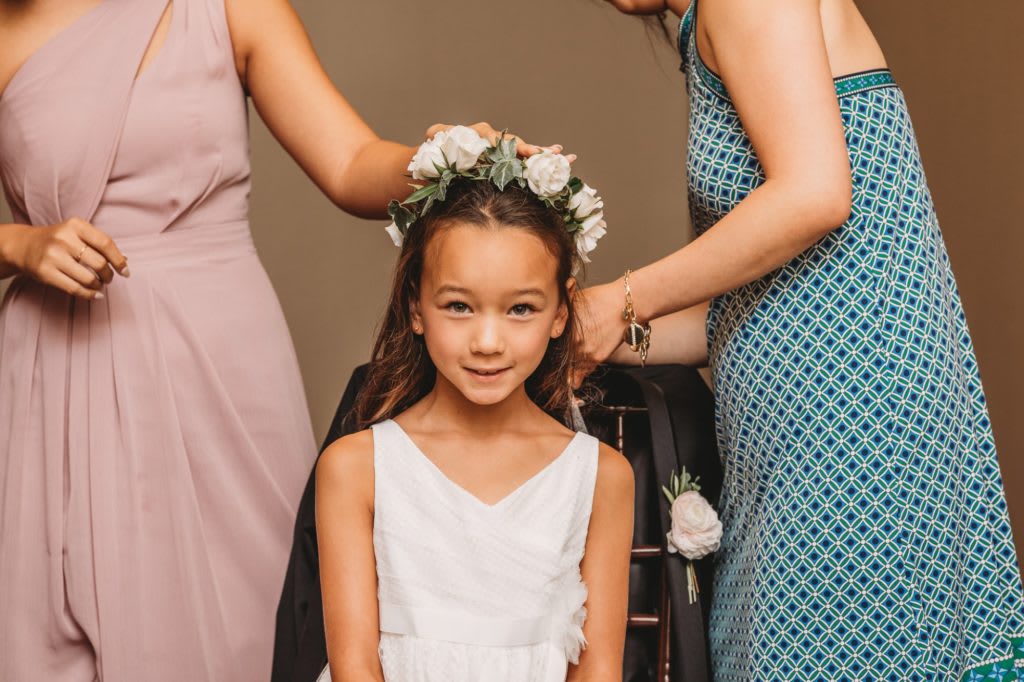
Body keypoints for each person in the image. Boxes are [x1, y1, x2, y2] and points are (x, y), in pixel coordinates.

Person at [0, 0, 548, 679]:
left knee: (258, 610)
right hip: (56, 366)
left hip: (217, 356)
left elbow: (349, 162)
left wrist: (443, 163)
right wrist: (18, 244)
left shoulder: (228, 6)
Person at [581, 0, 1024, 678]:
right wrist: (583, 330)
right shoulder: (707, 28)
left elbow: (815, 193)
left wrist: (622, 298)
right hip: (791, 444)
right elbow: (747, 308)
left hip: (855, 428)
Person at [315, 131, 634, 681]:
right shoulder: (355, 469)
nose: (488, 342)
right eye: (459, 306)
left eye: (521, 309)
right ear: (416, 307)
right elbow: (355, 669)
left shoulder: (601, 476)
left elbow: (597, 669)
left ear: (562, 313)